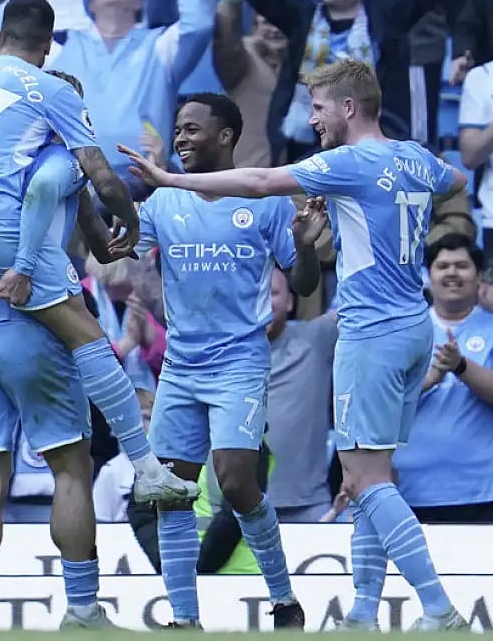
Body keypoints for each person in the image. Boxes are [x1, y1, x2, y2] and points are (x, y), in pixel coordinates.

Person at [120, 57, 471, 631]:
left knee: (365, 481)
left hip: (372, 331)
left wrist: (172, 179)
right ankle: (362, 614)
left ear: (349, 107)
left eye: (319, 108)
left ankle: (438, 608)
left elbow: (261, 183)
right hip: (415, 324)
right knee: (367, 476)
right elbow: (457, 179)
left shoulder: (349, 161)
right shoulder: (411, 157)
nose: (312, 120)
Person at [0, 0, 195, 516]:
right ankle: (146, 469)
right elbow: (100, 179)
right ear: (47, 47)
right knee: (87, 337)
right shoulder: (49, 94)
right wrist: (130, 220)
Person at [126, 94, 324, 630]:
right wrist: (83, 195)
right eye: (178, 129)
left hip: (239, 361)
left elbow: (305, 284)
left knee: (236, 480)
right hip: (181, 366)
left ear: (227, 135)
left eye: (192, 129)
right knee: (172, 492)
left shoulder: (265, 199)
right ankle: (184, 619)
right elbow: (112, 251)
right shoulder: (163, 201)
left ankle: (284, 599)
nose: (181, 137)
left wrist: (306, 247)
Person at [0, 138, 124, 630]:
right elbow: (103, 246)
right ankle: (83, 609)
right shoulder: (59, 161)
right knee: (71, 471)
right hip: (36, 317)